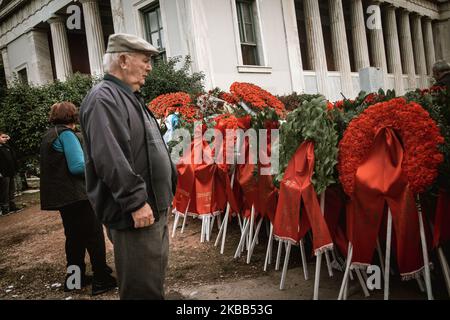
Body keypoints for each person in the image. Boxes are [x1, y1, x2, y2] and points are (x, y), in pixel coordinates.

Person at [79, 33, 177, 300]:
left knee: (152, 282)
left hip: (152, 209)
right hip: (136, 215)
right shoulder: (104, 98)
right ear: (123, 60)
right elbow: (109, 157)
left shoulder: (129, 96)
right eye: (145, 60)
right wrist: (135, 202)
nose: (149, 67)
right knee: (141, 291)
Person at [39, 102, 117, 295]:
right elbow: (77, 166)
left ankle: (75, 279)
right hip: (78, 197)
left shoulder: (49, 135)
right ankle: (101, 279)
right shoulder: (66, 134)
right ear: (73, 116)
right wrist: (100, 170)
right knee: (94, 237)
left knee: (74, 239)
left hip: (63, 199)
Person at [0, 131, 19, 215]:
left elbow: (14, 149)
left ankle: (12, 207)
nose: (5, 139)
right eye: (3, 137)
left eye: (5, 137)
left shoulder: (7, 147)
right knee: (4, 191)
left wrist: (10, 139)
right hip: (3, 173)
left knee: (11, 190)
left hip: (11, 172)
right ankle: (5, 209)